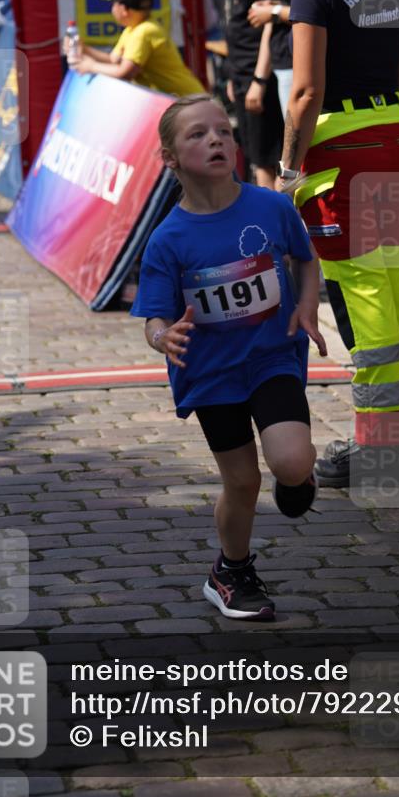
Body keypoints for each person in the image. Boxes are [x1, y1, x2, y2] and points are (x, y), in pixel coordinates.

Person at [131, 94, 326, 619]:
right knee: (242, 482)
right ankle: (230, 571)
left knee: (289, 460)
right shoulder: (167, 241)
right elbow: (153, 316)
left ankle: (298, 473)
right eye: (197, 134)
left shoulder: (272, 207)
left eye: (223, 131)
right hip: (212, 374)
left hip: (272, 357)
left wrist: (307, 307)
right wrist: (162, 339)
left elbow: (306, 262)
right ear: (169, 158)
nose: (216, 139)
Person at [279, 0, 399, 490]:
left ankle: (378, 451)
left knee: (365, 298)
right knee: (397, 289)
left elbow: (305, 91)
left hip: (342, 150)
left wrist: (288, 166)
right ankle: (398, 440)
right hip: (392, 133)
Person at [224, 0, 287, 188]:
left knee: (267, 161)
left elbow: (271, 24)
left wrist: (259, 82)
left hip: (259, 75)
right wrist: (234, 80)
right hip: (242, 73)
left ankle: (273, 230)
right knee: (253, 157)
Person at [67, 0, 204, 96]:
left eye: (114, 4)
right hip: (180, 102)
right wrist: (82, 48)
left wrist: (90, 66)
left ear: (124, 9)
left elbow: (124, 72)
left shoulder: (144, 32)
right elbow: (114, 60)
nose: (112, 9)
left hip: (189, 101)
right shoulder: (133, 29)